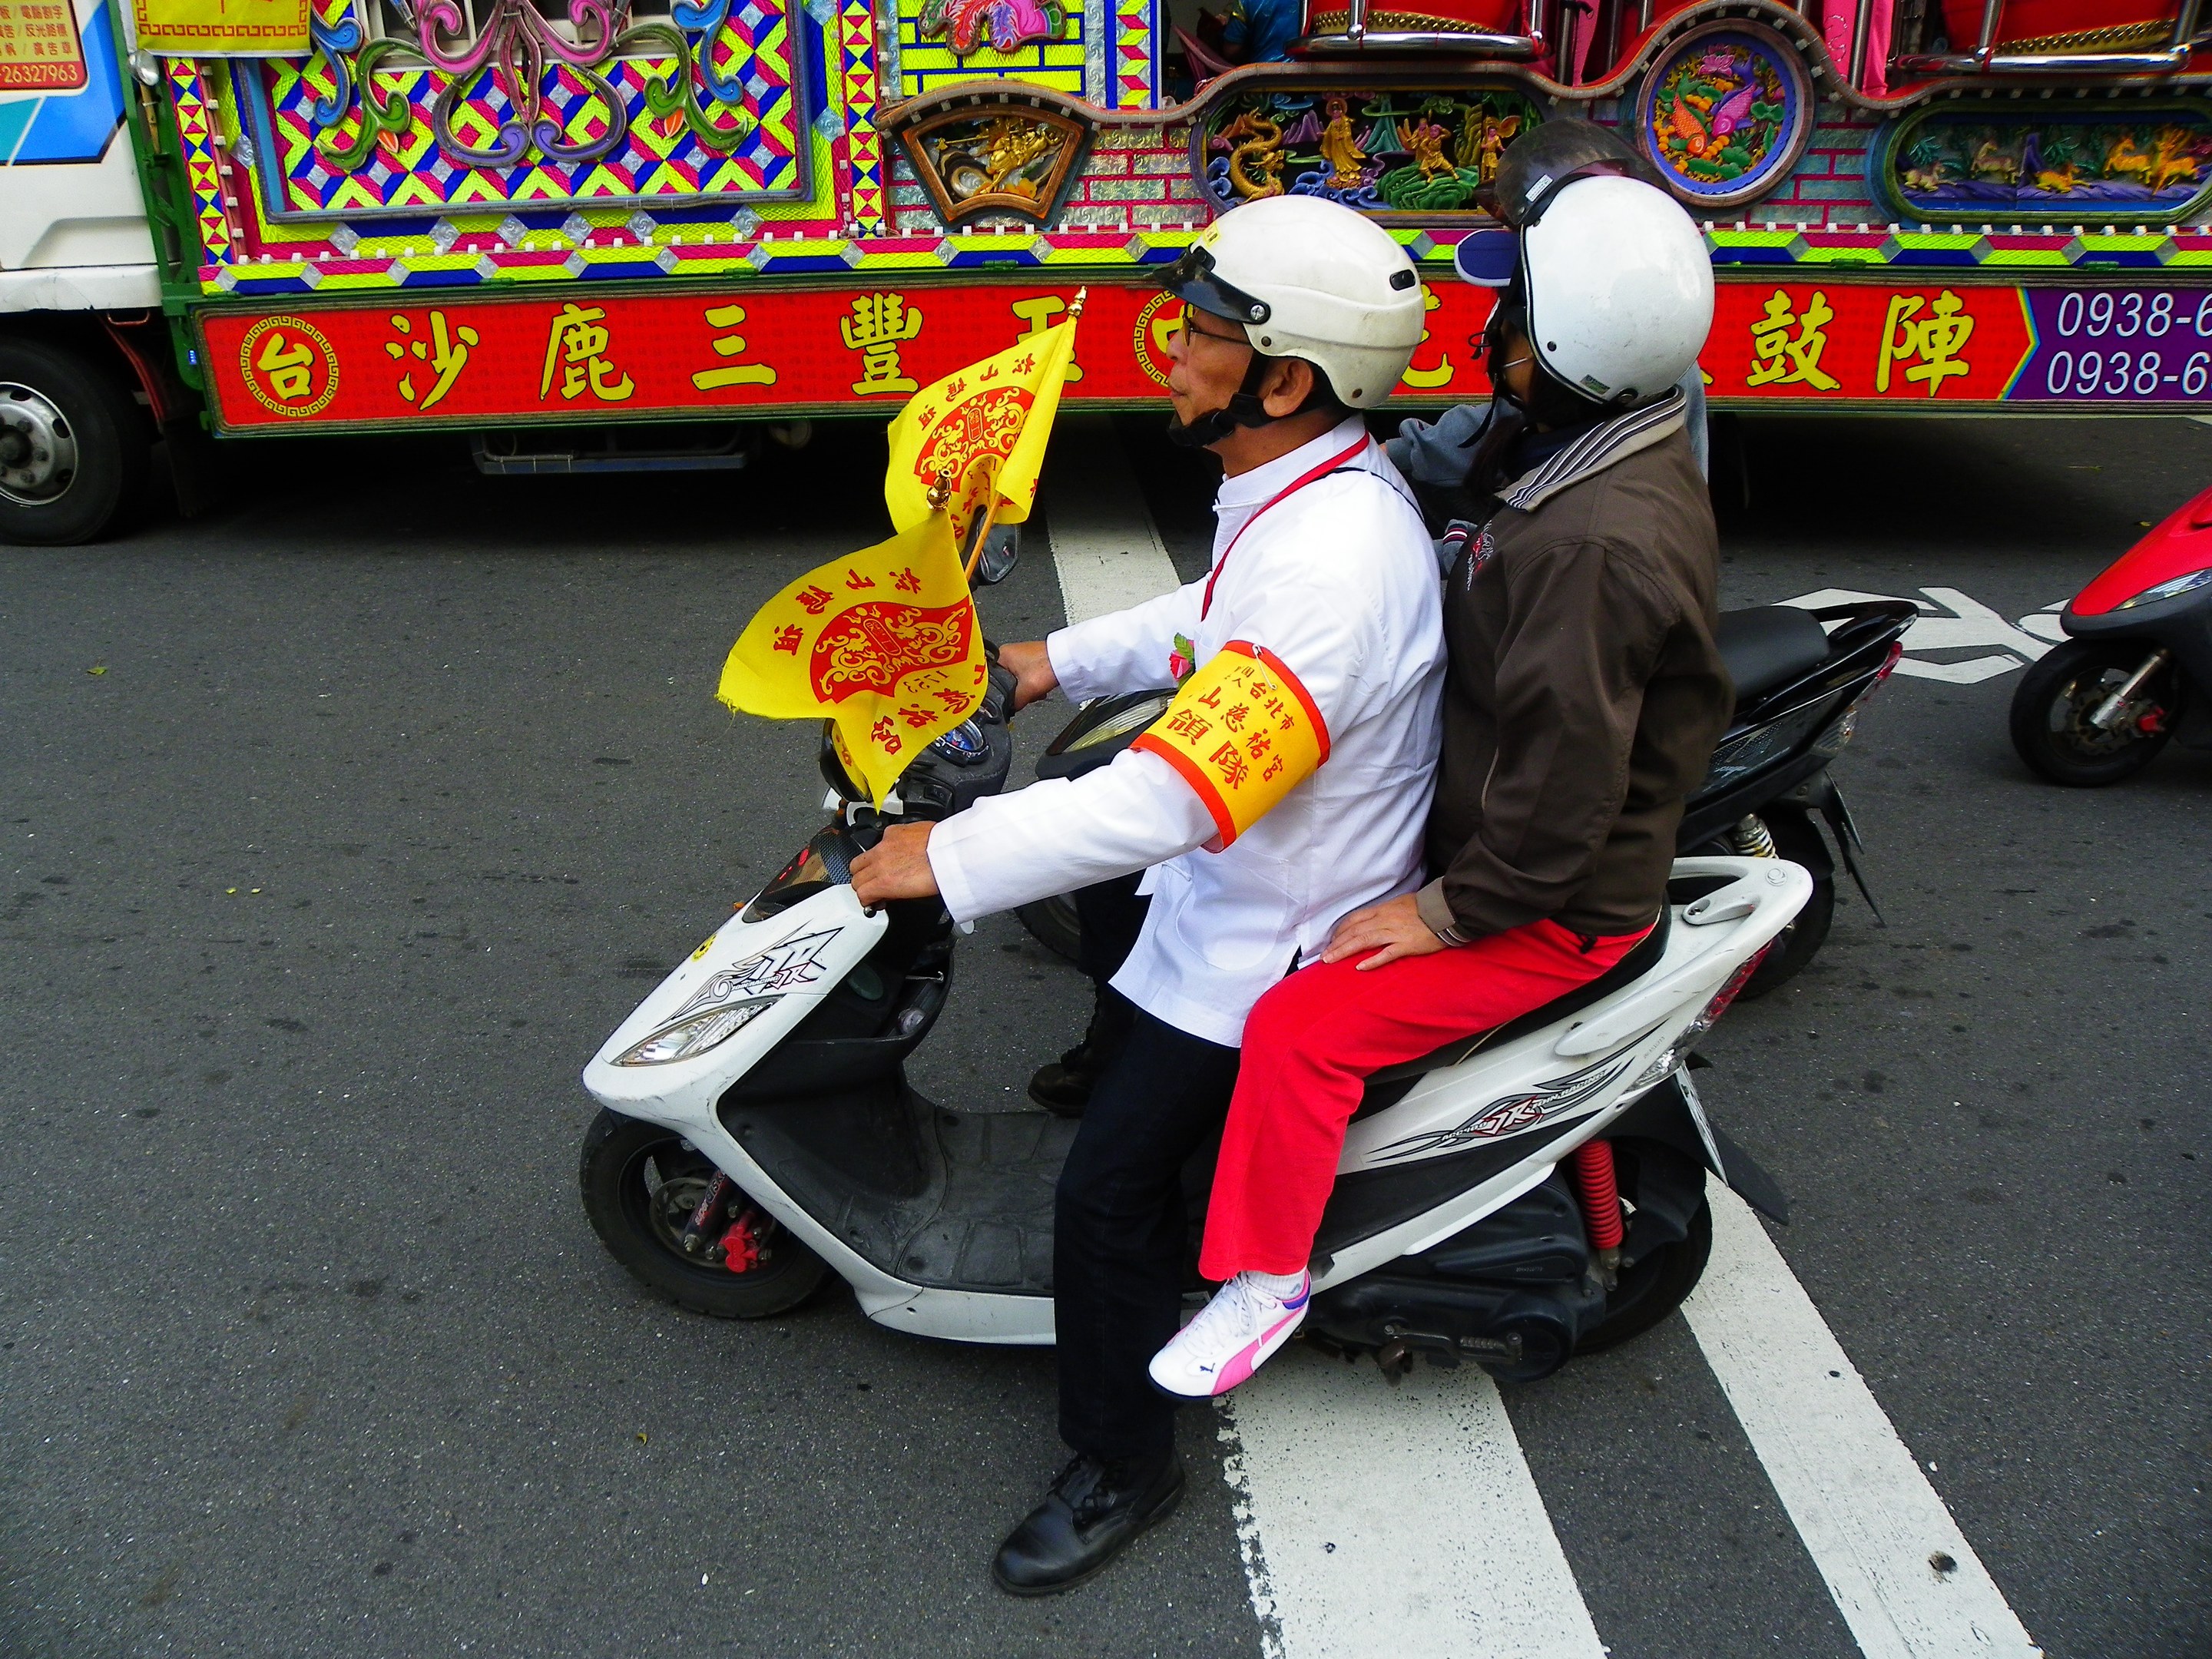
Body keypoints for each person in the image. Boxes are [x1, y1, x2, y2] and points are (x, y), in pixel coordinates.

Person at [849, 193, 1443, 1594]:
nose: (1170, 353)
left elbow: (1175, 795)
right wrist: (1048, 657)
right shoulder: (1306, 491)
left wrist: (949, 856)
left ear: (1283, 381)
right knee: (1119, 927)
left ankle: (1125, 1459)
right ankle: (1139, 1094)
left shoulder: (1338, 571)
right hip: (1248, 871)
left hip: (1281, 928)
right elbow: (1205, 617)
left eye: (1199, 335)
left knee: (1103, 1197)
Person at [1147, 164, 1735, 1399]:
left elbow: (1566, 787)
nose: (1489, 332)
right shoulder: (1597, 438)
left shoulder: (1590, 548)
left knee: (1300, 1028)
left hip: (1553, 900)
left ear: (1569, 353)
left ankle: (1264, 1277)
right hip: (1493, 821)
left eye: (1513, 317)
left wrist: (1443, 914)